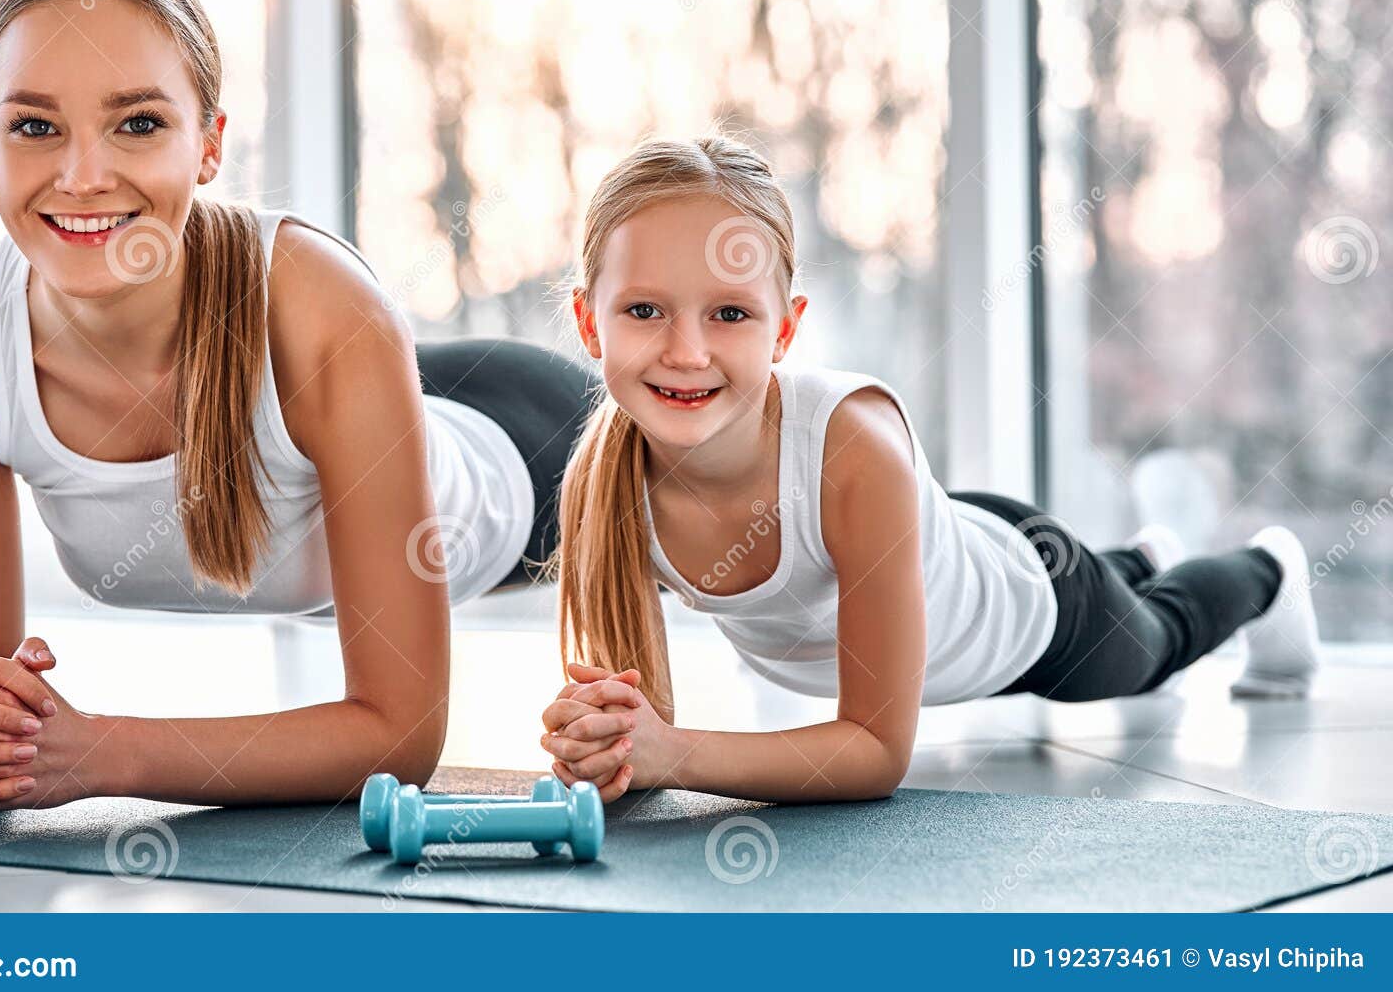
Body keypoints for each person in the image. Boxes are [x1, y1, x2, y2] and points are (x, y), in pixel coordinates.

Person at [0, 0, 596, 813]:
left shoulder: (326, 307)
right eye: (35, 126)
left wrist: (101, 754)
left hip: (533, 447)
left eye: (139, 123)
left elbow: (400, 736)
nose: (81, 176)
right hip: (374, 401)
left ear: (209, 144)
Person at [537, 135, 1321, 804]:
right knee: (1129, 587)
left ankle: (1268, 572)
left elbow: (875, 753)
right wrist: (604, 741)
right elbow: (636, 718)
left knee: (1154, 648)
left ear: (785, 328)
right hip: (935, 548)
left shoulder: (851, 449)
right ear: (587, 321)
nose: (686, 351)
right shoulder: (604, 474)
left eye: (730, 313)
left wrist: (672, 753)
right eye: (644, 310)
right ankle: (1141, 560)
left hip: (1025, 605)